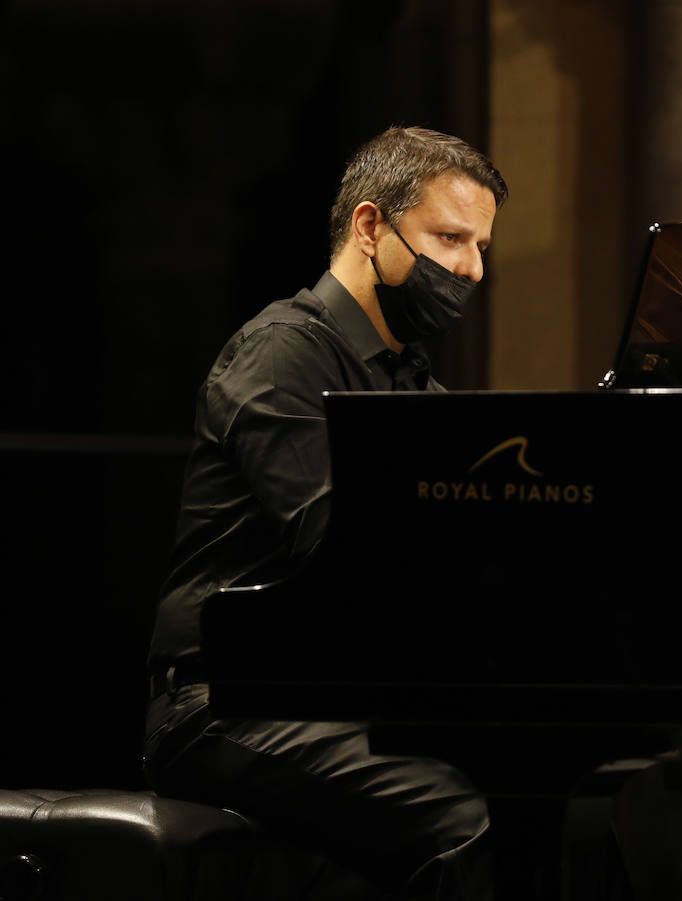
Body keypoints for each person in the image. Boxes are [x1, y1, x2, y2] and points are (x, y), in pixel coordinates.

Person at [143, 126, 508, 899]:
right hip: (221, 705)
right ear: (371, 226)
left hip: (337, 700)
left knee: (560, 803)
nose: (471, 269)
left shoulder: (413, 386)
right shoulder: (282, 352)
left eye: (480, 246)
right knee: (467, 815)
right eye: (451, 238)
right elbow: (339, 551)